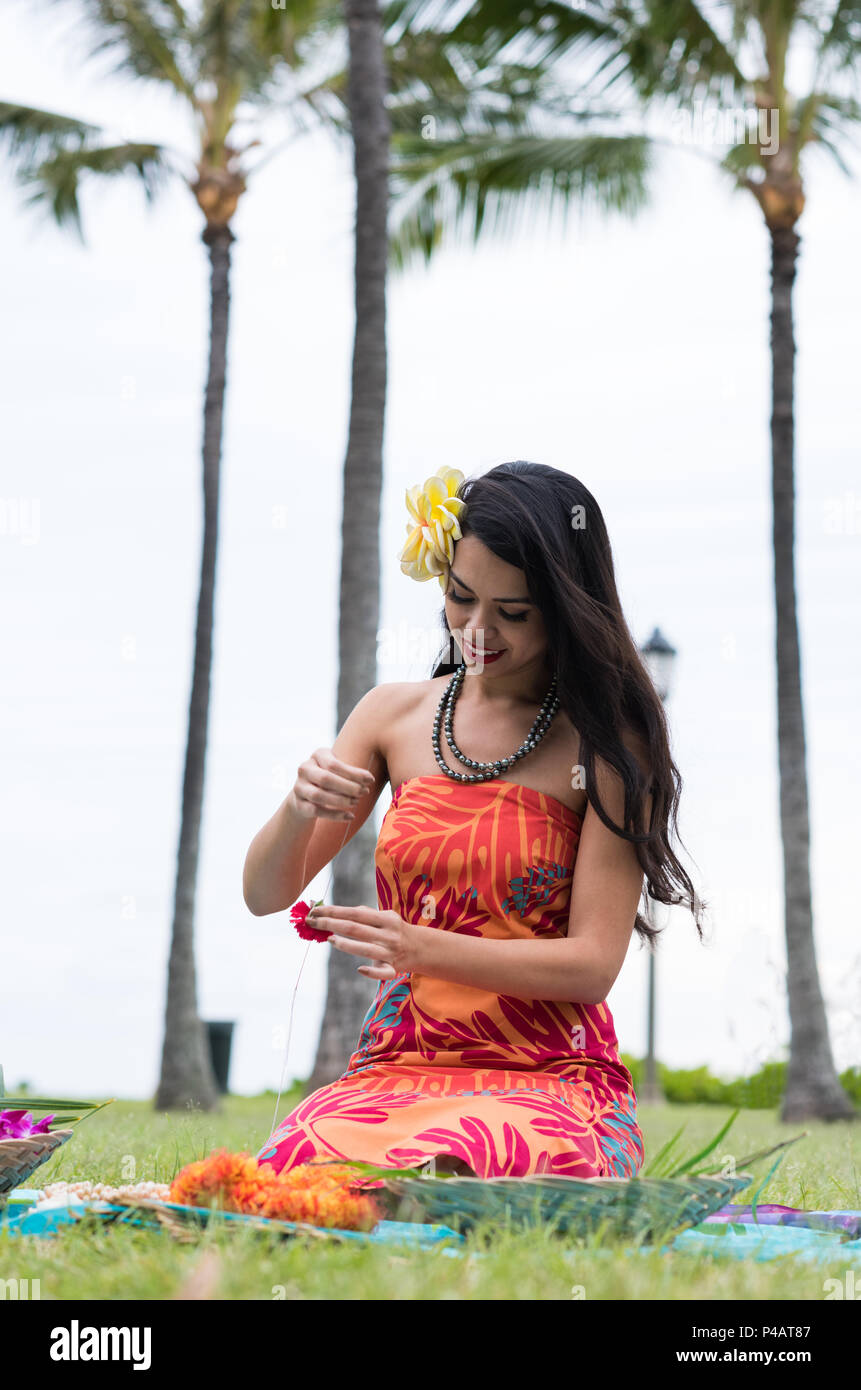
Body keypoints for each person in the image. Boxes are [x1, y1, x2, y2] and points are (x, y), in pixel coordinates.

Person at [243, 461, 703, 1179]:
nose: (477, 631)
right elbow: (266, 893)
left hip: (547, 1076)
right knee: (295, 1167)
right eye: (461, 599)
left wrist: (419, 948)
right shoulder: (390, 717)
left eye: (512, 613)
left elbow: (590, 966)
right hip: (396, 1069)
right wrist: (298, 808)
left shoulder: (606, 744)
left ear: (567, 606)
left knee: (485, 1159)